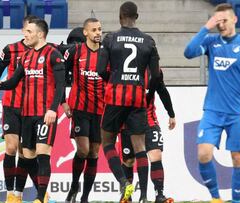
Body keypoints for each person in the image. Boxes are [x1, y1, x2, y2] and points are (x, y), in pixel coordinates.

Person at [184, 3, 240, 203]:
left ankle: (236, 201)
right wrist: (205, 27)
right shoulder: (211, 42)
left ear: (235, 19)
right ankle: (216, 198)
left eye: (224, 20)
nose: (221, 25)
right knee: (203, 153)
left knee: (237, 157)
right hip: (213, 111)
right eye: (217, 21)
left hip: (237, 112)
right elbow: (188, 52)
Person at [0, 18, 66, 203]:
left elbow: (60, 85)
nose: (25, 35)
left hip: (45, 114)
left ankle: (40, 198)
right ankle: (33, 195)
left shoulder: (53, 54)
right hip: (26, 114)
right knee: (28, 156)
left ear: (40, 34)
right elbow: (13, 81)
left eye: (29, 32)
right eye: (25, 32)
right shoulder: (25, 57)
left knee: (42, 153)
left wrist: (53, 109)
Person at [97, 1, 160, 202]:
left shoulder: (110, 39)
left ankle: (124, 183)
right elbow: (156, 76)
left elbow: (99, 70)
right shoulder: (149, 41)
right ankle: (143, 196)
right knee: (140, 146)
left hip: (116, 96)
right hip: (137, 97)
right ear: (137, 17)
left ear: (119, 17)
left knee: (107, 142)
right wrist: (145, 93)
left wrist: (114, 81)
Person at [0, 15, 37, 203]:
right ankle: (9, 195)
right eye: (28, 29)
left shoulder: (43, 51)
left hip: (32, 108)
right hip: (11, 105)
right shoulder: (10, 50)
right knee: (12, 148)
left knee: (25, 152)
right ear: (23, 30)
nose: (31, 33)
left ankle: (19, 194)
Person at [62, 18, 104, 203]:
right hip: (80, 108)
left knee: (94, 152)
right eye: (94, 29)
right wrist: (63, 102)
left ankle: (85, 197)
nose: (98, 33)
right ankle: (74, 185)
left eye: (100, 29)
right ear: (85, 32)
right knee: (83, 150)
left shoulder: (107, 53)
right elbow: (60, 74)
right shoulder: (75, 51)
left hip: (101, 109)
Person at [120, 69, 175, 203]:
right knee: (129, 160)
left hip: (149, 119)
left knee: (155, 155)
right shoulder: (124, 67)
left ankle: (159, 195)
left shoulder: (154, 71)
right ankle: (127, 196)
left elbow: (162, 91)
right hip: (128, 121)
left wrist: (171, 114)